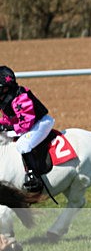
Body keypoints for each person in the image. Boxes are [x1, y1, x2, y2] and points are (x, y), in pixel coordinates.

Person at [0, 65, 55, 193]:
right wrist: (3, 124)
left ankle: (34, 177)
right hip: (26, 124)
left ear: (5, 88)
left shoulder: (20, 98)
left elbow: (25, 124)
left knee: (23, 145)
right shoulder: (5, 98)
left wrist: (5, 127)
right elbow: (10, 119)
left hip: (40, 123)